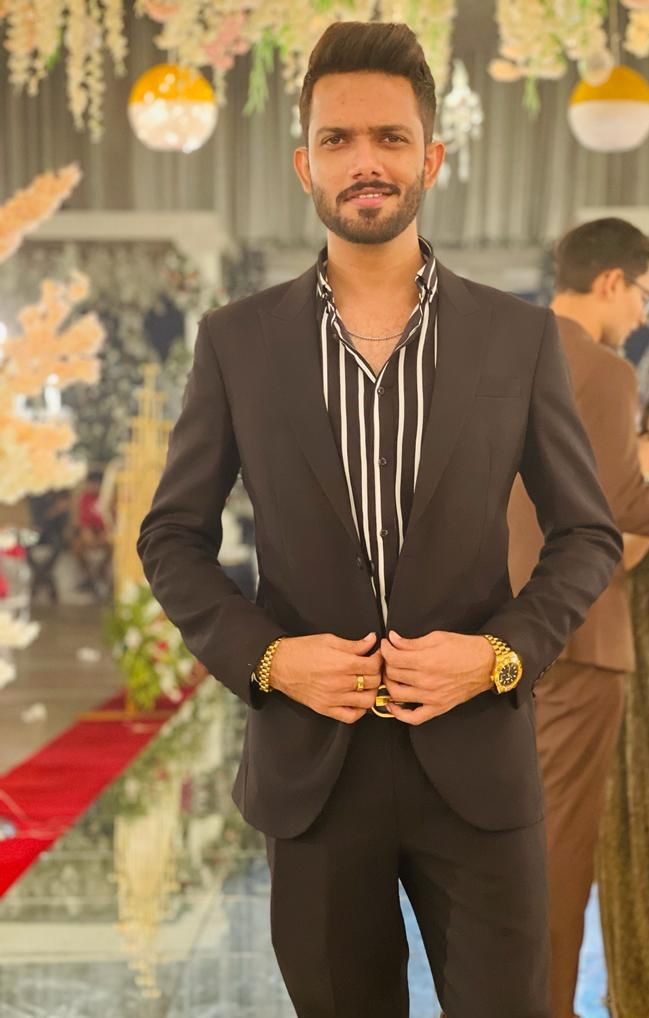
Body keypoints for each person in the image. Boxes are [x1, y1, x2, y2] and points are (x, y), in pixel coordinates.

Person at [138, 23, 622, 1018]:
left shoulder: (518, 337)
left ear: (430, 158)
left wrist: (499, 655)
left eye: (391, 138)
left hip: (478, 765)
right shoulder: (237, 342)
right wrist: (270, 660)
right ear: (304, 164)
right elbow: (172, 537)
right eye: (339, 139)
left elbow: (586, 533)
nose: (366, 161)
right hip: (312, 771)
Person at [507, 217, 649, 1018]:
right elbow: (624, 506)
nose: (639, 315)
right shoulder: (603, 369)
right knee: (562, 849)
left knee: (507, 841)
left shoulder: (500, 353)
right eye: (641, 295)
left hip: (497, 633)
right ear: (609, 281)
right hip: (582, 633)